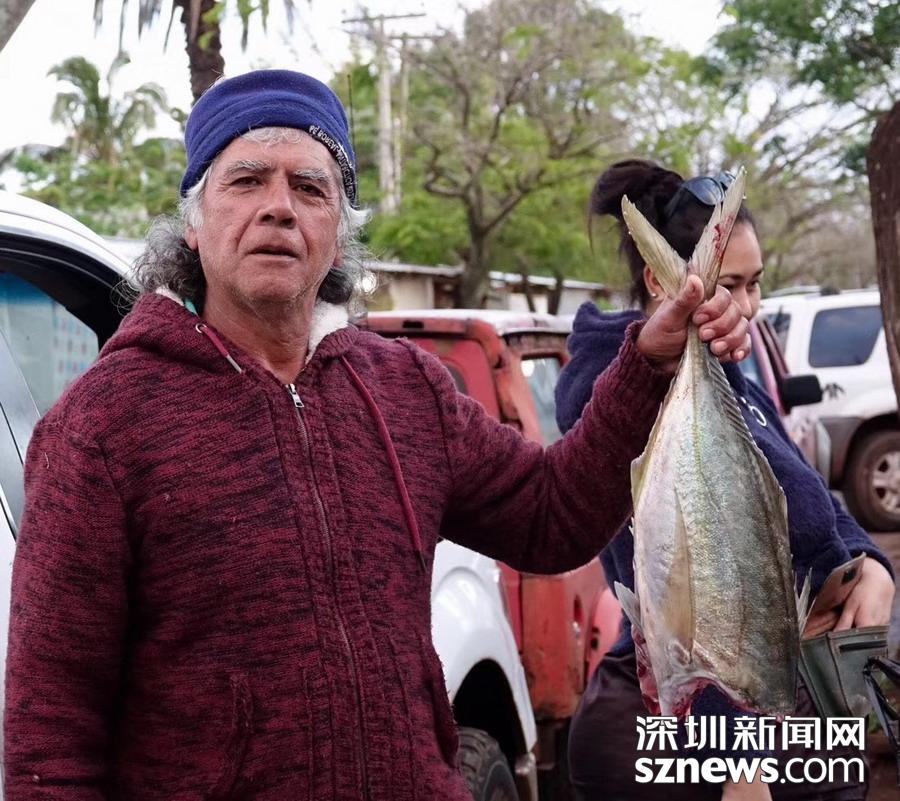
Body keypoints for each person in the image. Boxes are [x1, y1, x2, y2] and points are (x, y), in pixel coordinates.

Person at [2, 75, 750, 801]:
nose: (278, 208)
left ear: (339, 235)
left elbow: (552, 516)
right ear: (193, 225)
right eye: (246, 180)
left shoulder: (404, 387)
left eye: (310, 187)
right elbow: (49, 734)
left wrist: (647, 363)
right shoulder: (103, 426)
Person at [557, 159, 896, 801]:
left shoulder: (729, 376)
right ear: (661, 280)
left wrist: (871, 565)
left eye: (755, 283)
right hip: (702, 733)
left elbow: (804, 497)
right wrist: (739, 764)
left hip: (791, 704)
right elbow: (696, 584)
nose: (748, 306)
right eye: (728, 284)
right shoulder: (616, 392)